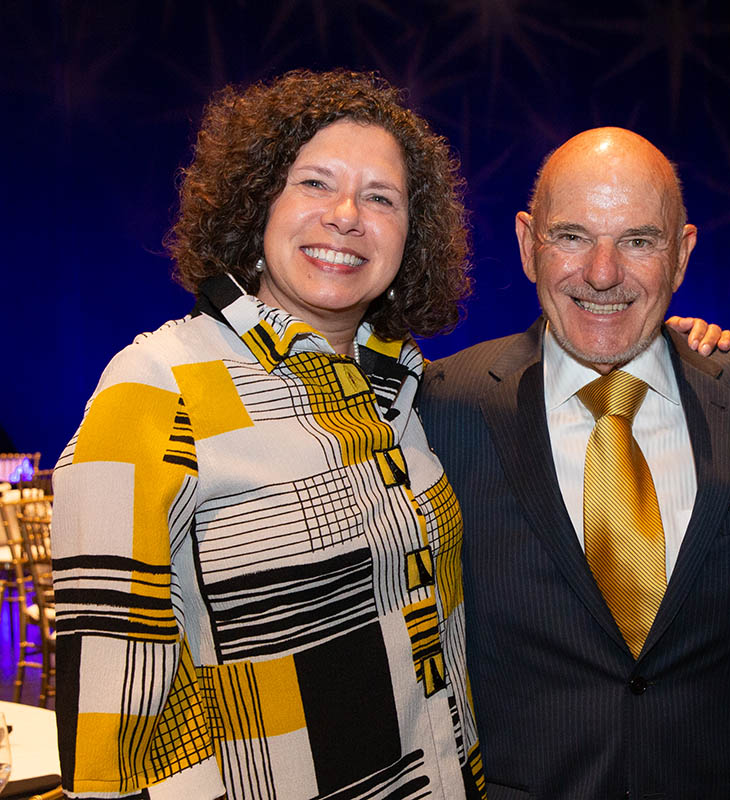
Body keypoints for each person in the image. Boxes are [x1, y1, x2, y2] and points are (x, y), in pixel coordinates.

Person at [52, 70, 486, 800]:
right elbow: (112, 739)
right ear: (257, 204)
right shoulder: (157, 386)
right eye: (314, 183)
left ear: (411, 235)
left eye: (381, 197)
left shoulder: (403, 395)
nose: (347, 216)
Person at [418, 127, 730, 799]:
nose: (602, 272)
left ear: (681, 255)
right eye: (571, 236)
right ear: (526, 243)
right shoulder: (442, 408)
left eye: (637, 240)